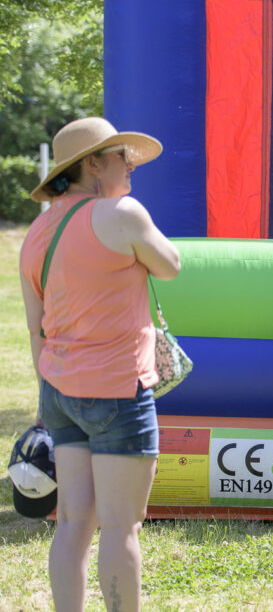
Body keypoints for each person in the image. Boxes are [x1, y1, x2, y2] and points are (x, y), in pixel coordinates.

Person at [19, 116, 181, 611]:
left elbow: (36, 329)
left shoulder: (36, 233)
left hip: (59, 393)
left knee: (72, 522)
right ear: (91, 165)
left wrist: (46, 402)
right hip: (118, 389)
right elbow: (171, 266)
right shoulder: (122, 213)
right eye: (119, 156)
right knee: (120, 526)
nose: (130, 164)